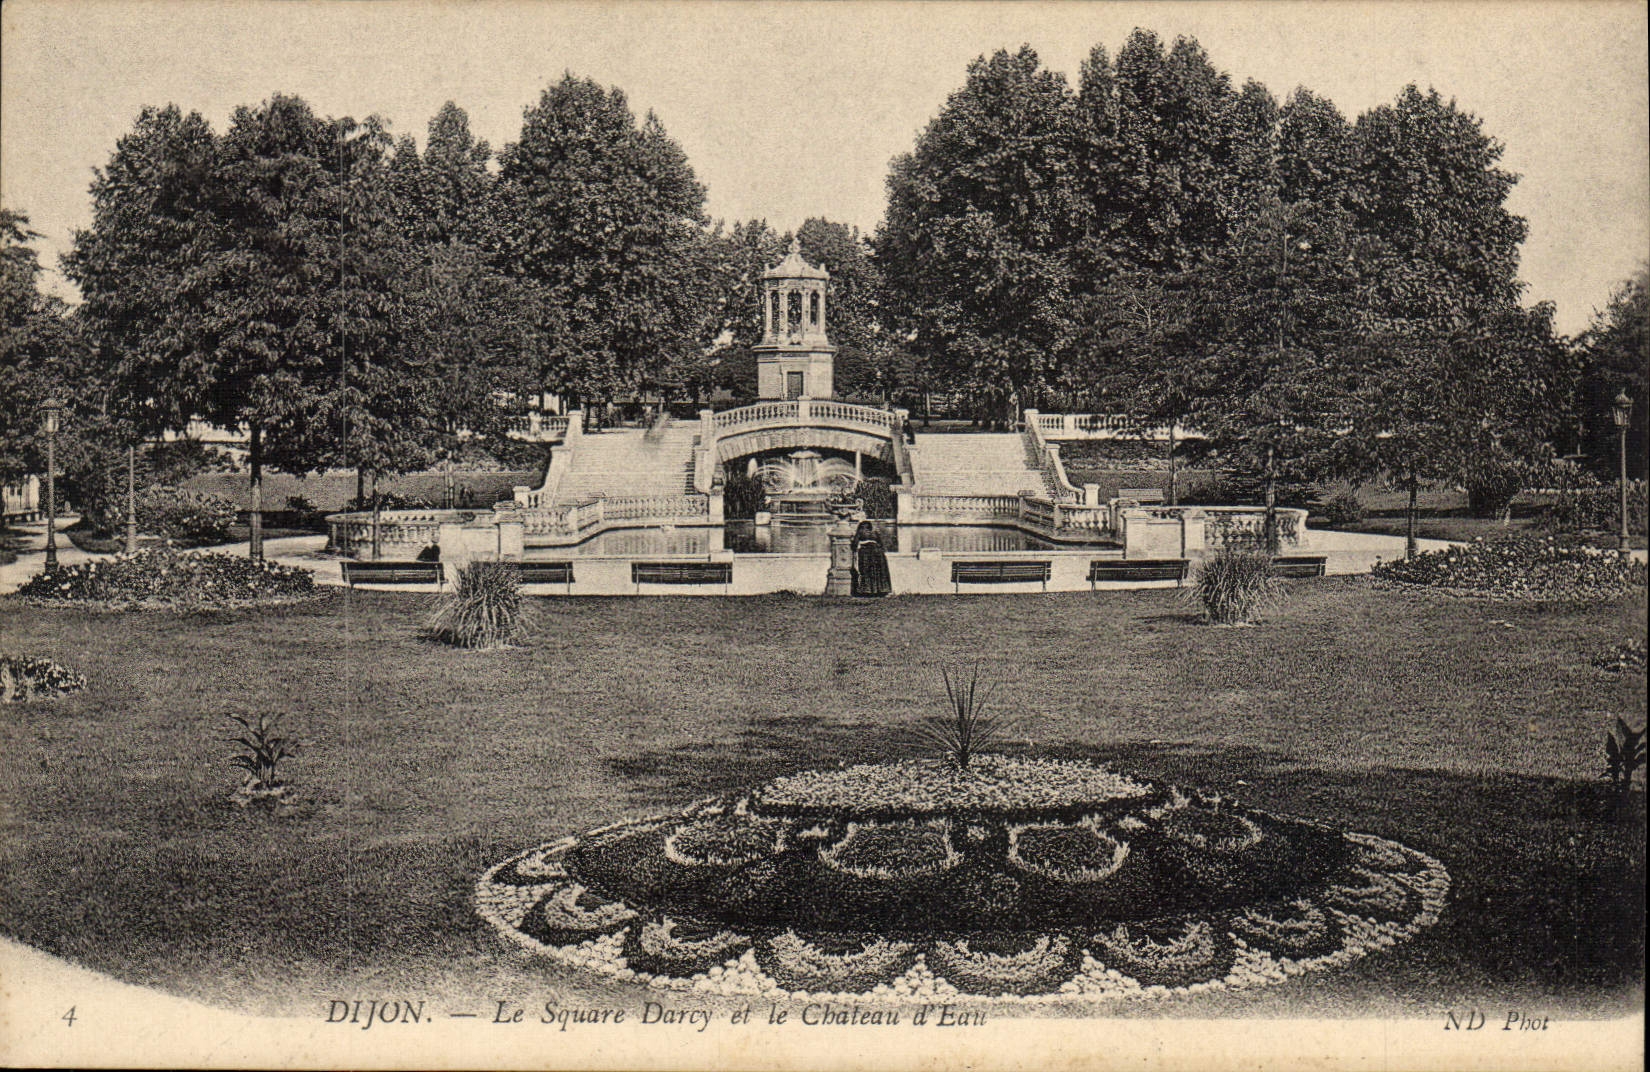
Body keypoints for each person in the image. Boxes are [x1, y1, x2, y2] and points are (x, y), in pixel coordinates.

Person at [851, 519, 892, 597]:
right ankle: (881, 590)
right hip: (878, 554)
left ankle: (867, 590)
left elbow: (854, 545)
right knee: (879, 572)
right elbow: (882, 544)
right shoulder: (875, 533)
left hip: (866, 553)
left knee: (867, 571)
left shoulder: (860, 532)